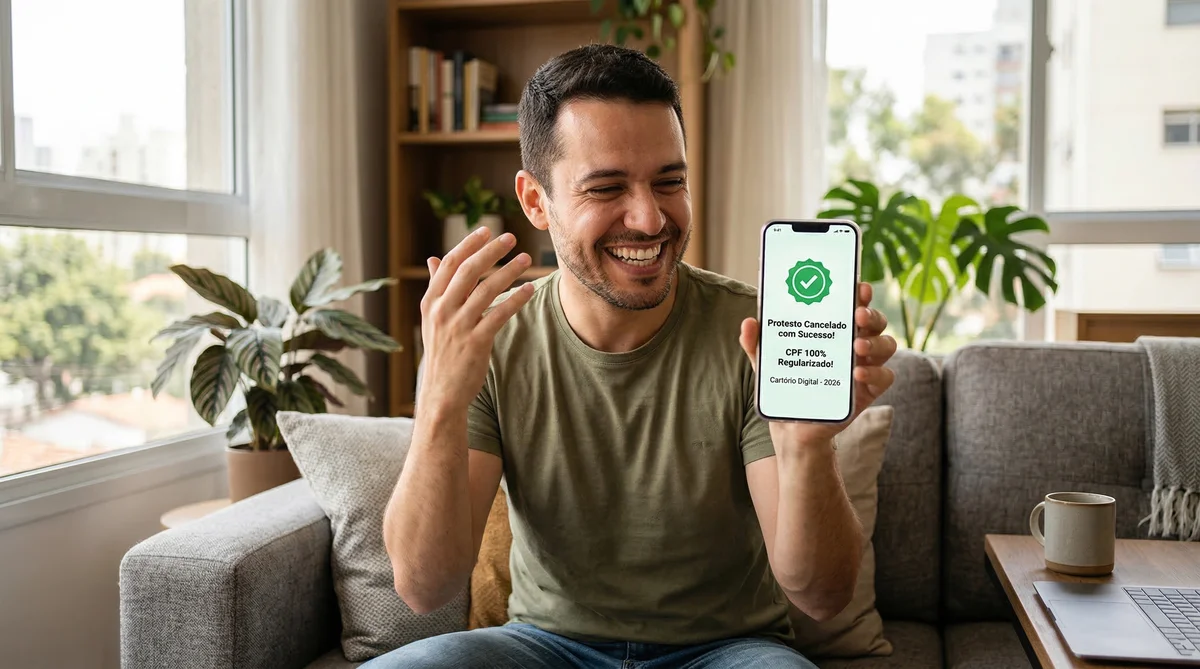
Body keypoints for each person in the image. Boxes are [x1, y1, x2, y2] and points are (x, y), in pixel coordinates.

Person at [367, 44, 898, 669]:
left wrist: (808, 446)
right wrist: (438, 399)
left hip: (727, 650)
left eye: (669, 181)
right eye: (607, 187)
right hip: (541, 647)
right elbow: (424, 587)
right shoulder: (494, 339)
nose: (648, 219)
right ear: (537, 201)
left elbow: (822, 595)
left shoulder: (755, 332)